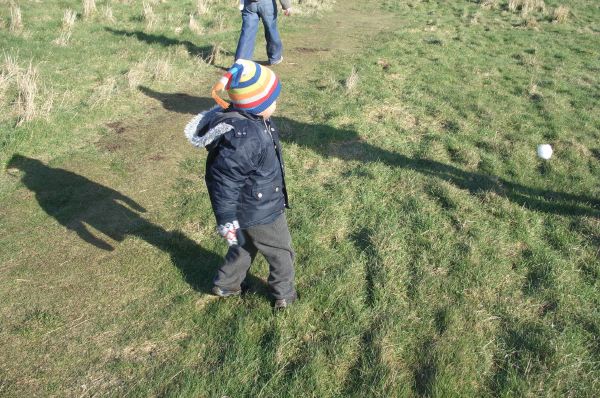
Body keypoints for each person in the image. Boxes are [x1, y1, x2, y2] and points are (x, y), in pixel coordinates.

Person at [184, 59, 296, 309]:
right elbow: (222, 179)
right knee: (281, 252)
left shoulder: (250, 122)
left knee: (244, 246)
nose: (276, 104)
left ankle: (227, 283)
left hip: (246, 207)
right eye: (273, 100)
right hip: (262, 208)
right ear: (257, 105)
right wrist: (224, 216)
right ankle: (285, 294)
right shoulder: (247, 137)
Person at [235, 0, 292, 65]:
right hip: (267, 3)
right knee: (271, 29)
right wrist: (287, 6)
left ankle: (241, 62)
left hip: (248, 4)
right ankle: (275, 58)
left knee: (247, 32)